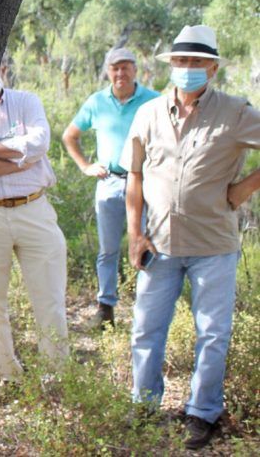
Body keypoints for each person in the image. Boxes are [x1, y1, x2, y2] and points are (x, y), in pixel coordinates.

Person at [122, 24, 260, 450]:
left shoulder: (237, 112)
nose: (187, 69)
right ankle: (144, 407)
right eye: (181, 61)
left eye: (197, 62)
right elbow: (135, 175)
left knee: (213, 333)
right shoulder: (148, 113)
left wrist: (242, 189)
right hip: (159, 246)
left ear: (212, 69)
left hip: (213, 246)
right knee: (146, 329)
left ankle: (202, 413)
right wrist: (134, 234)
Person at [0, 59, 68, 406]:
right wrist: (18, 154)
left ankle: (56, 379)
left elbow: (38, 144)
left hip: (34, 208)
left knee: (49, 298)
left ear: (2, 71)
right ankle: (5, 378)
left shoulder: (26, 101)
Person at [62, 48, 159, 329]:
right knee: (108, 250)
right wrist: (85, 166)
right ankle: (106, 311)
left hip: (146, 183)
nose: (120, 73)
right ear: (108, 71)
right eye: (115, 68)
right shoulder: (97, 102)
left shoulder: (153, 100)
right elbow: (70, 136)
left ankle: (147, 310)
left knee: (147, 244)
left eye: (126, 67)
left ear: (135, 70)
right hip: (110, 182)